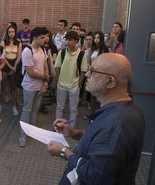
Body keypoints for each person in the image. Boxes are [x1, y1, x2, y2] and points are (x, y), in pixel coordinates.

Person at [47, 53, 145, 185]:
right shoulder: (124, 110)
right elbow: (102, 140)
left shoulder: (116, 124)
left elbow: (96, 176)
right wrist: (74, 133)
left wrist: (65, 151)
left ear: (110, 81)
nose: (87, 74)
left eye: (92, 71)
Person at [18, 27, 49, 147]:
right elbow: (30, 72)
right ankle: (23, 134)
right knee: (27, 110)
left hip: (40, 86)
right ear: (35, 38)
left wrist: (45, 84)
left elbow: (46, 67)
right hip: (29, 86)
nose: (45, 39)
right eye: (42, 37)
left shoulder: (42, 50)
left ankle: (31, 131)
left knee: (35, 109)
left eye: (45, 37)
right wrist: (45, 78)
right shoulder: (27, 51)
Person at [53, 31, 88, 128]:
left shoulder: (81, 54)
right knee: (60, 107)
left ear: (76, 41)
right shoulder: (62, 52)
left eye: (70, 40)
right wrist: (57, 80)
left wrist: (79, 84)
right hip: (61, 84)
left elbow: (83, 71)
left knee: (73, 109)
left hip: (74, 85)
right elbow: (57, 67)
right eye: (67, 39)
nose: (68, 42)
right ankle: (57, 126)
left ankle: (71, 128)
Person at [0, 25, 22, 116]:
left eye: (13, 32)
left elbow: (19, 56)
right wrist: (10, 67)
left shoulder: (18, 42)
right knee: (3, 86)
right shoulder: (4, 42)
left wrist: (14, 67)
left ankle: (14, 106)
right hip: (5, 64)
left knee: (14, 87)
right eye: (9, 32)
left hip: (15, 63)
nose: (11, 33)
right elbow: (3, 57)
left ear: (15, 32)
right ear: (7, 33)